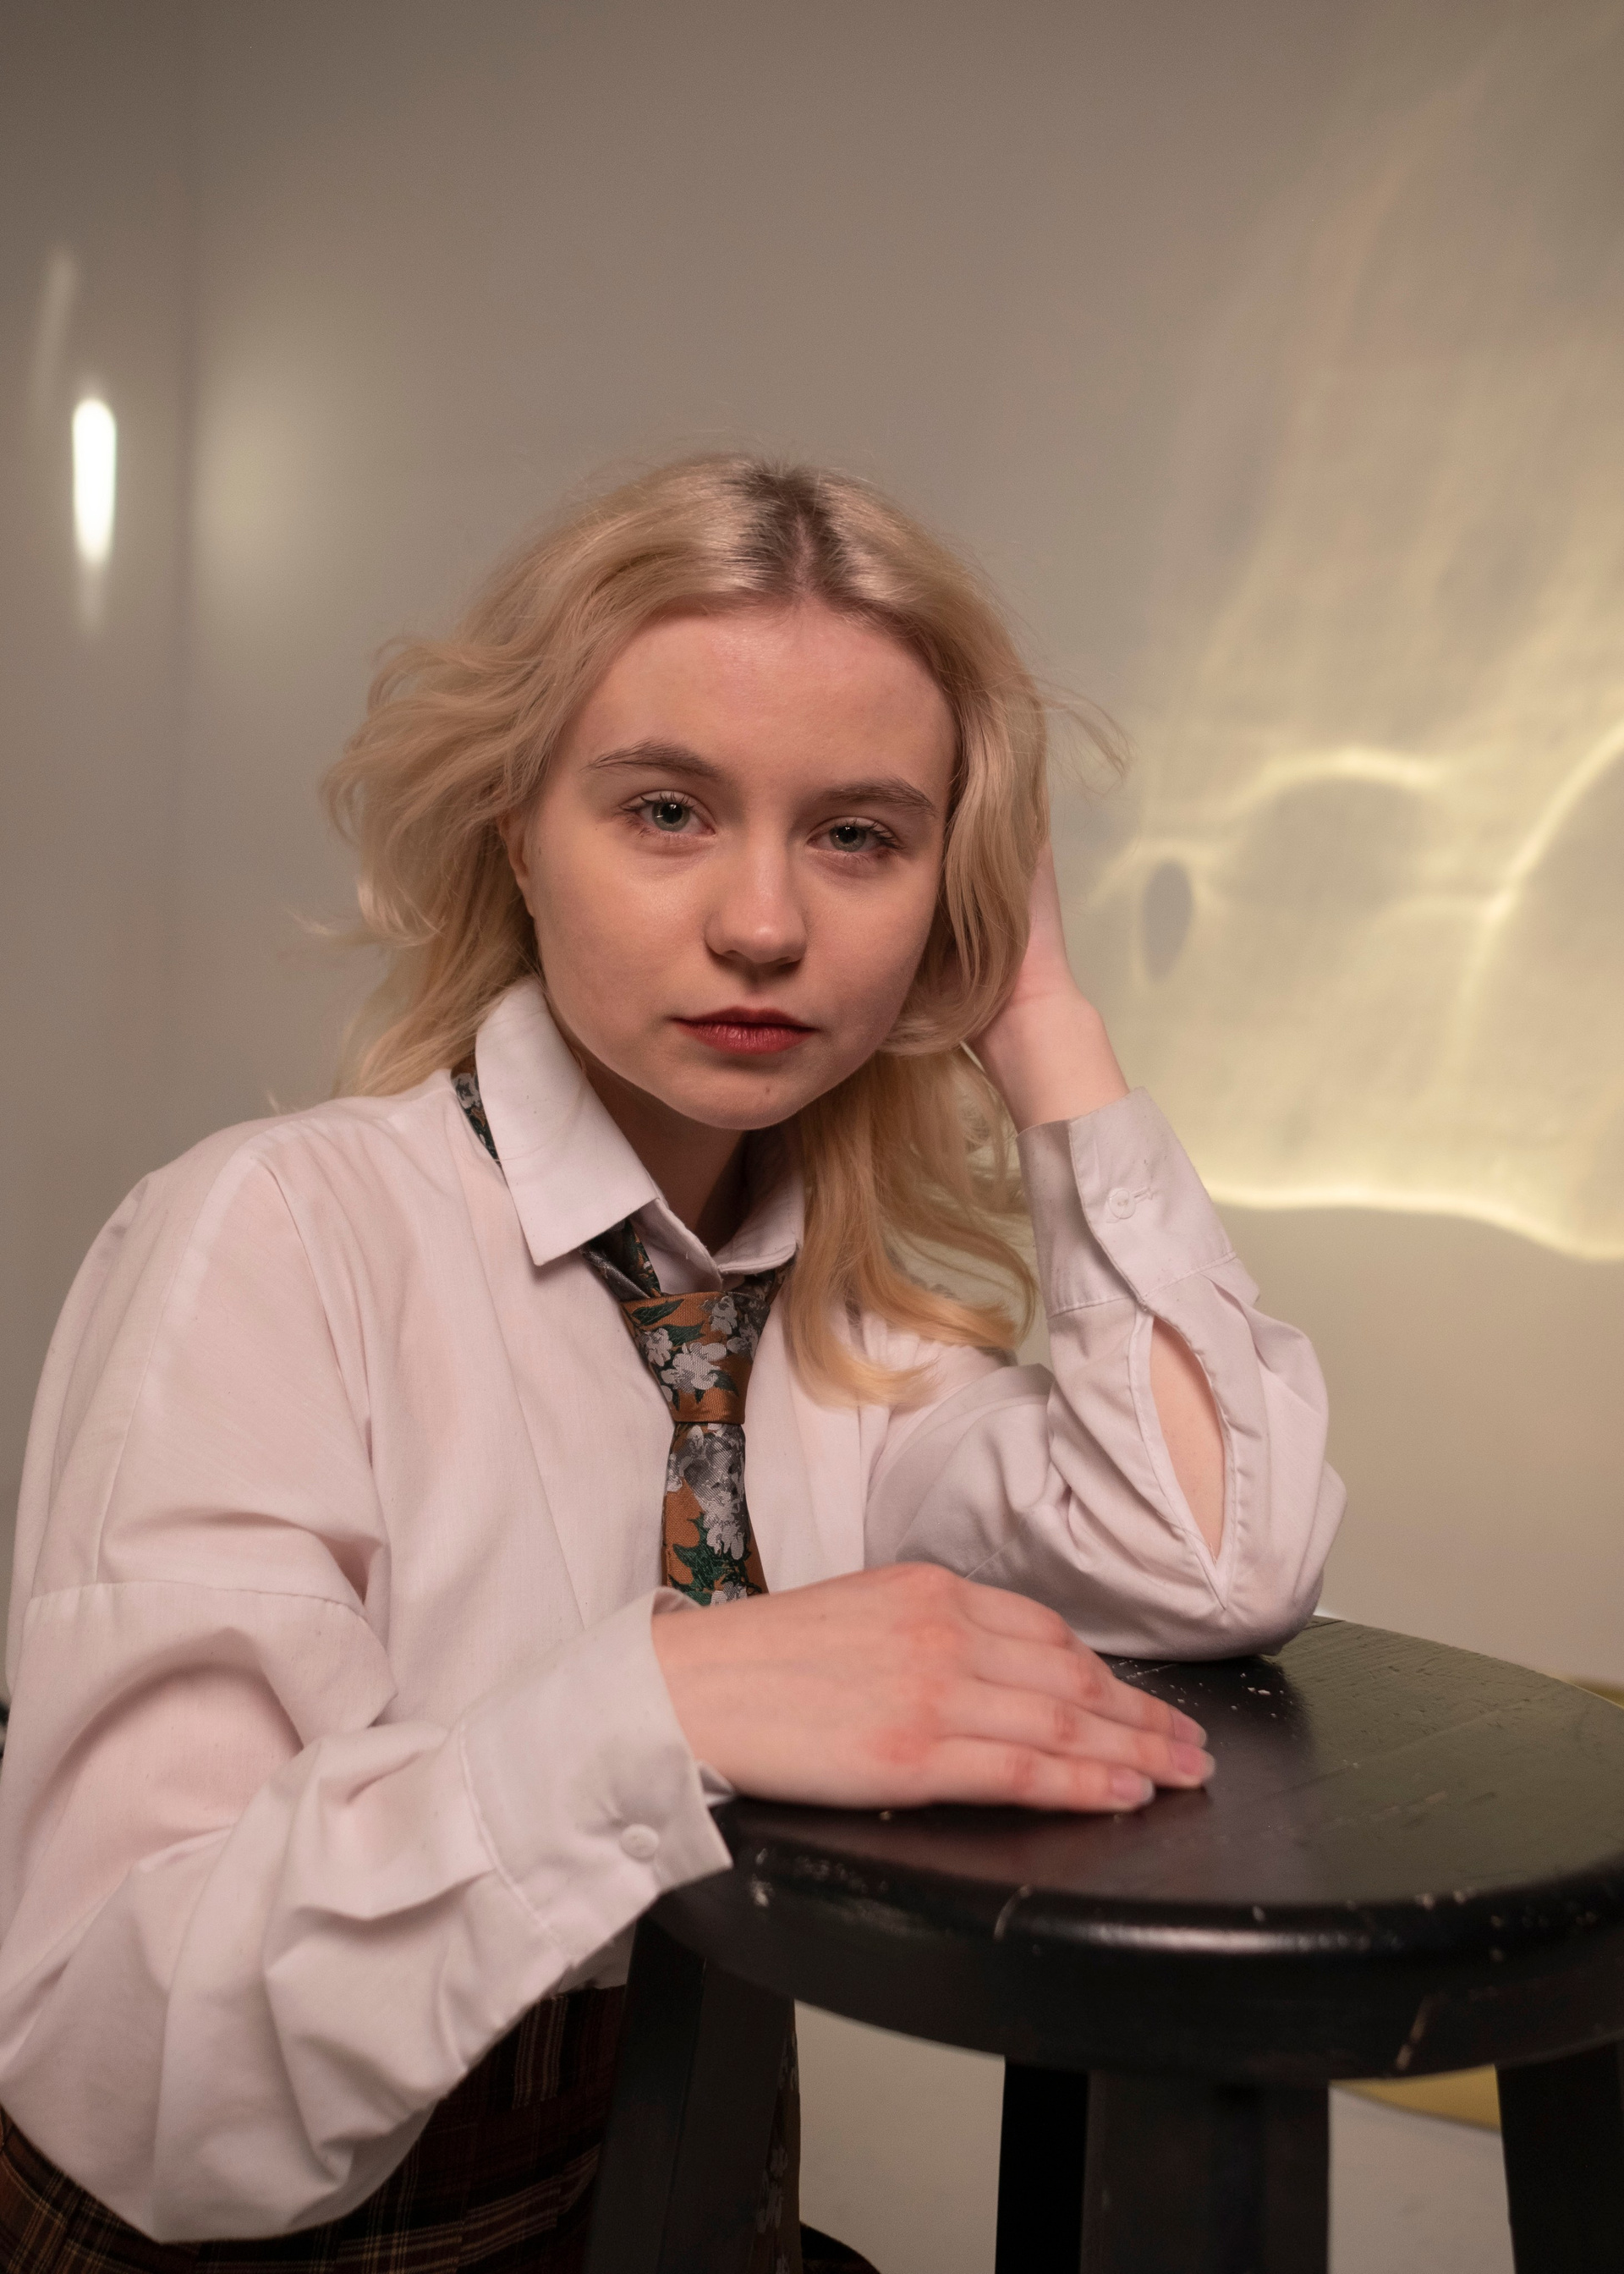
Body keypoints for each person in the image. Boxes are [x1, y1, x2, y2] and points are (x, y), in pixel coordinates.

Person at [0, 458, 1342, 2271]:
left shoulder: (848, 1326)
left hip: (677, 2207)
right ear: (514, 828)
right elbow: (126, 2060)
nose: (765, 926)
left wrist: (1041, 1019)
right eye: (665, 810)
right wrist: (662, 1707)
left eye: (860, 837)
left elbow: (1214, 1555)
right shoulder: (275, 1238)